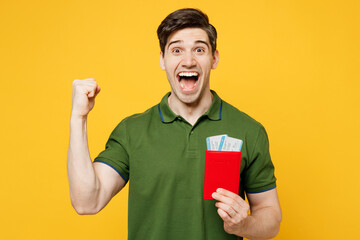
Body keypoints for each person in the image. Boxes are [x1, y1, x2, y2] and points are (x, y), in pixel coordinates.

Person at [67, 8, 282, 240]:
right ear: (162, 59)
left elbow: (271, 218)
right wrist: (78, 118)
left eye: (199, 50)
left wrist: (245, 224)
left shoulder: (248, 130)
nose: (188, 61)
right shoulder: (132, 131)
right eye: (176, 50)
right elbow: (86, 202)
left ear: (214, 58)